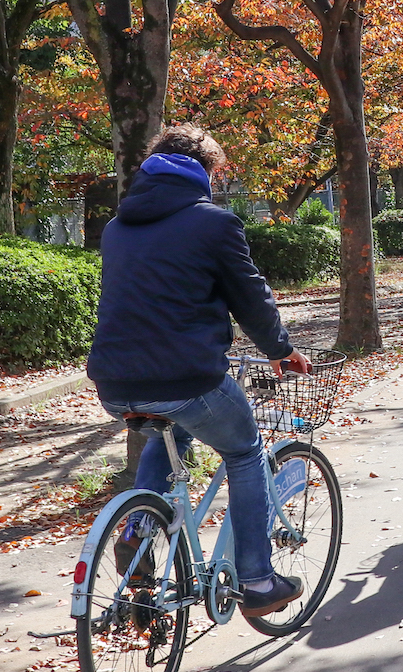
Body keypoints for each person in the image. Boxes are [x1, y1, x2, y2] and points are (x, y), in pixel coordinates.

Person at [86, 122, 310, 619]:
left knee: (173, 435)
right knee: (246, 450)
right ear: (202, 171)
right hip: (186, 377)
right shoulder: (214, 223)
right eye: (218, 170)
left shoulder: (118, 228)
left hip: (115, 382)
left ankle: (138, 535)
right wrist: (280, 349)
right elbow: (251, 299)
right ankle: (257, 579)